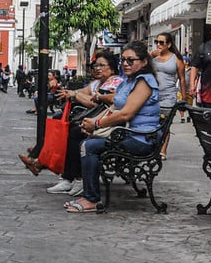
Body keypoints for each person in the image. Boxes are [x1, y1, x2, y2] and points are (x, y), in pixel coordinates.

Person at [66, 41, 160, 213]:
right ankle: (88, 193)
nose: (125, 63)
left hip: (141, 138)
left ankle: (92, 198)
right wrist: (93, 122)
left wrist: (97, 124)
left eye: (131, 60)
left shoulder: (144, 82)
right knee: (85, 140)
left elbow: (126, 114)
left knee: (89, 146)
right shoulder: (128, 81)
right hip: (128, 133)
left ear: (144, 62)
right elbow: (115, 106)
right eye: (123, 60)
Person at [19, 51, 123, 197]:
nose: (97, 68)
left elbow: (94, 102)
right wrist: (74, 93)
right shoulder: (97, 83)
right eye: (96, 65)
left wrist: (76, 95)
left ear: (112, 68)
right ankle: (52, 166)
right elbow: (83, 93)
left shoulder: (115, 81)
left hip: (106, 124)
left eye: (102, 65)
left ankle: (71, 175)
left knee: (73, 132)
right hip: (92, 120)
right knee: (61, 124)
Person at [151, 31, 186, 161]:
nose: (158, 45)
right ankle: (153, 148)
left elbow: (182, 79)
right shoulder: (152, 58)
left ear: (169, 44)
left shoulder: (176, 59)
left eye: (161, 42)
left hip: (169, 96)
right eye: (157, 42)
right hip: (152, 96)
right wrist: (149, 56)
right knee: (153, 123)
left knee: (165, 124)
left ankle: (163, 150)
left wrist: (183, 98)